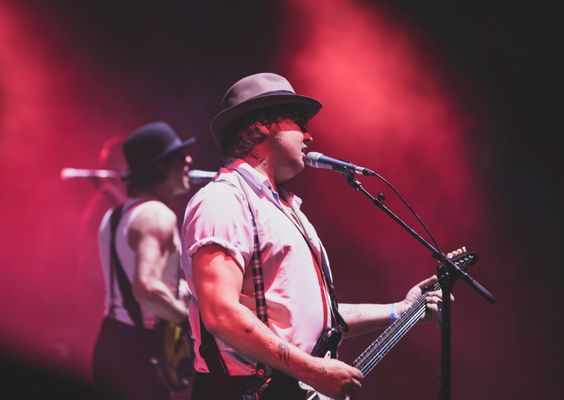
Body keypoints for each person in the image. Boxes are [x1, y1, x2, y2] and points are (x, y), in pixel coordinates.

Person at [180, 72, 451, 399]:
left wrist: (400, 310)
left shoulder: (284, 209)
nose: (309, 135)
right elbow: (220, 314)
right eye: (298, 122)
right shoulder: (223, 200)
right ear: (263, 124)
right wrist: (312, 370)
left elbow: (315, 320)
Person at [92, 121, 195, 400]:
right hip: (140, 349)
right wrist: (188, 320)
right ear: (163, 167)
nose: (189, 160)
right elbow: (146, 287)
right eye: (180, 156)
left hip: (111, 339)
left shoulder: (115, 216)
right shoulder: (157, 216)